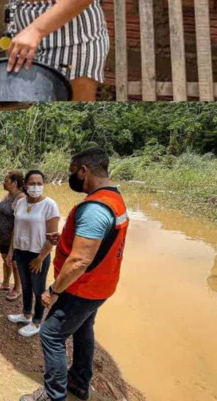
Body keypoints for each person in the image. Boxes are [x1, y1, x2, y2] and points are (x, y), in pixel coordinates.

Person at [20, 148, 129, 401]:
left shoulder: (95, 208)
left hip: (82, 287)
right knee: (83, 330)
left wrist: (53, 290)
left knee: (51, 334)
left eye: (72, 172)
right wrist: (66, 238)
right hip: (102, 285)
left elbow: (80, 260)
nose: (72, 178)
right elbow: (101, 241)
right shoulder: (114, 198)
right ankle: (79, 382)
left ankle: (53, 395)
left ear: (84, 170)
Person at [7, 170, 60, 337]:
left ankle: (37, 322)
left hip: (38, 254)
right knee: (26, 285)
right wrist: (11, 251)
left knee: (38, 288)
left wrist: (40, 258)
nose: (36, 187)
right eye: (32, 183)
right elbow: (16, 227)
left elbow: (52, 237)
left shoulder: (50, 205)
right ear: (25, 185)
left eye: (39, 183)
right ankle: (26, 314)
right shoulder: (21, 202)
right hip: (21, 252)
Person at [0, 170, 25, 301]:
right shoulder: (7, 195)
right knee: (6, 260)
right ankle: (5, 284)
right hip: (2, 237)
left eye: (6, 180)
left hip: (12, 239)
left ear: (15, 183)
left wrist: (12, 245)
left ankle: (17, 288)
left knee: (14, 263)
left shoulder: (20, 197)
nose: (3, 183)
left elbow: (18, 222)